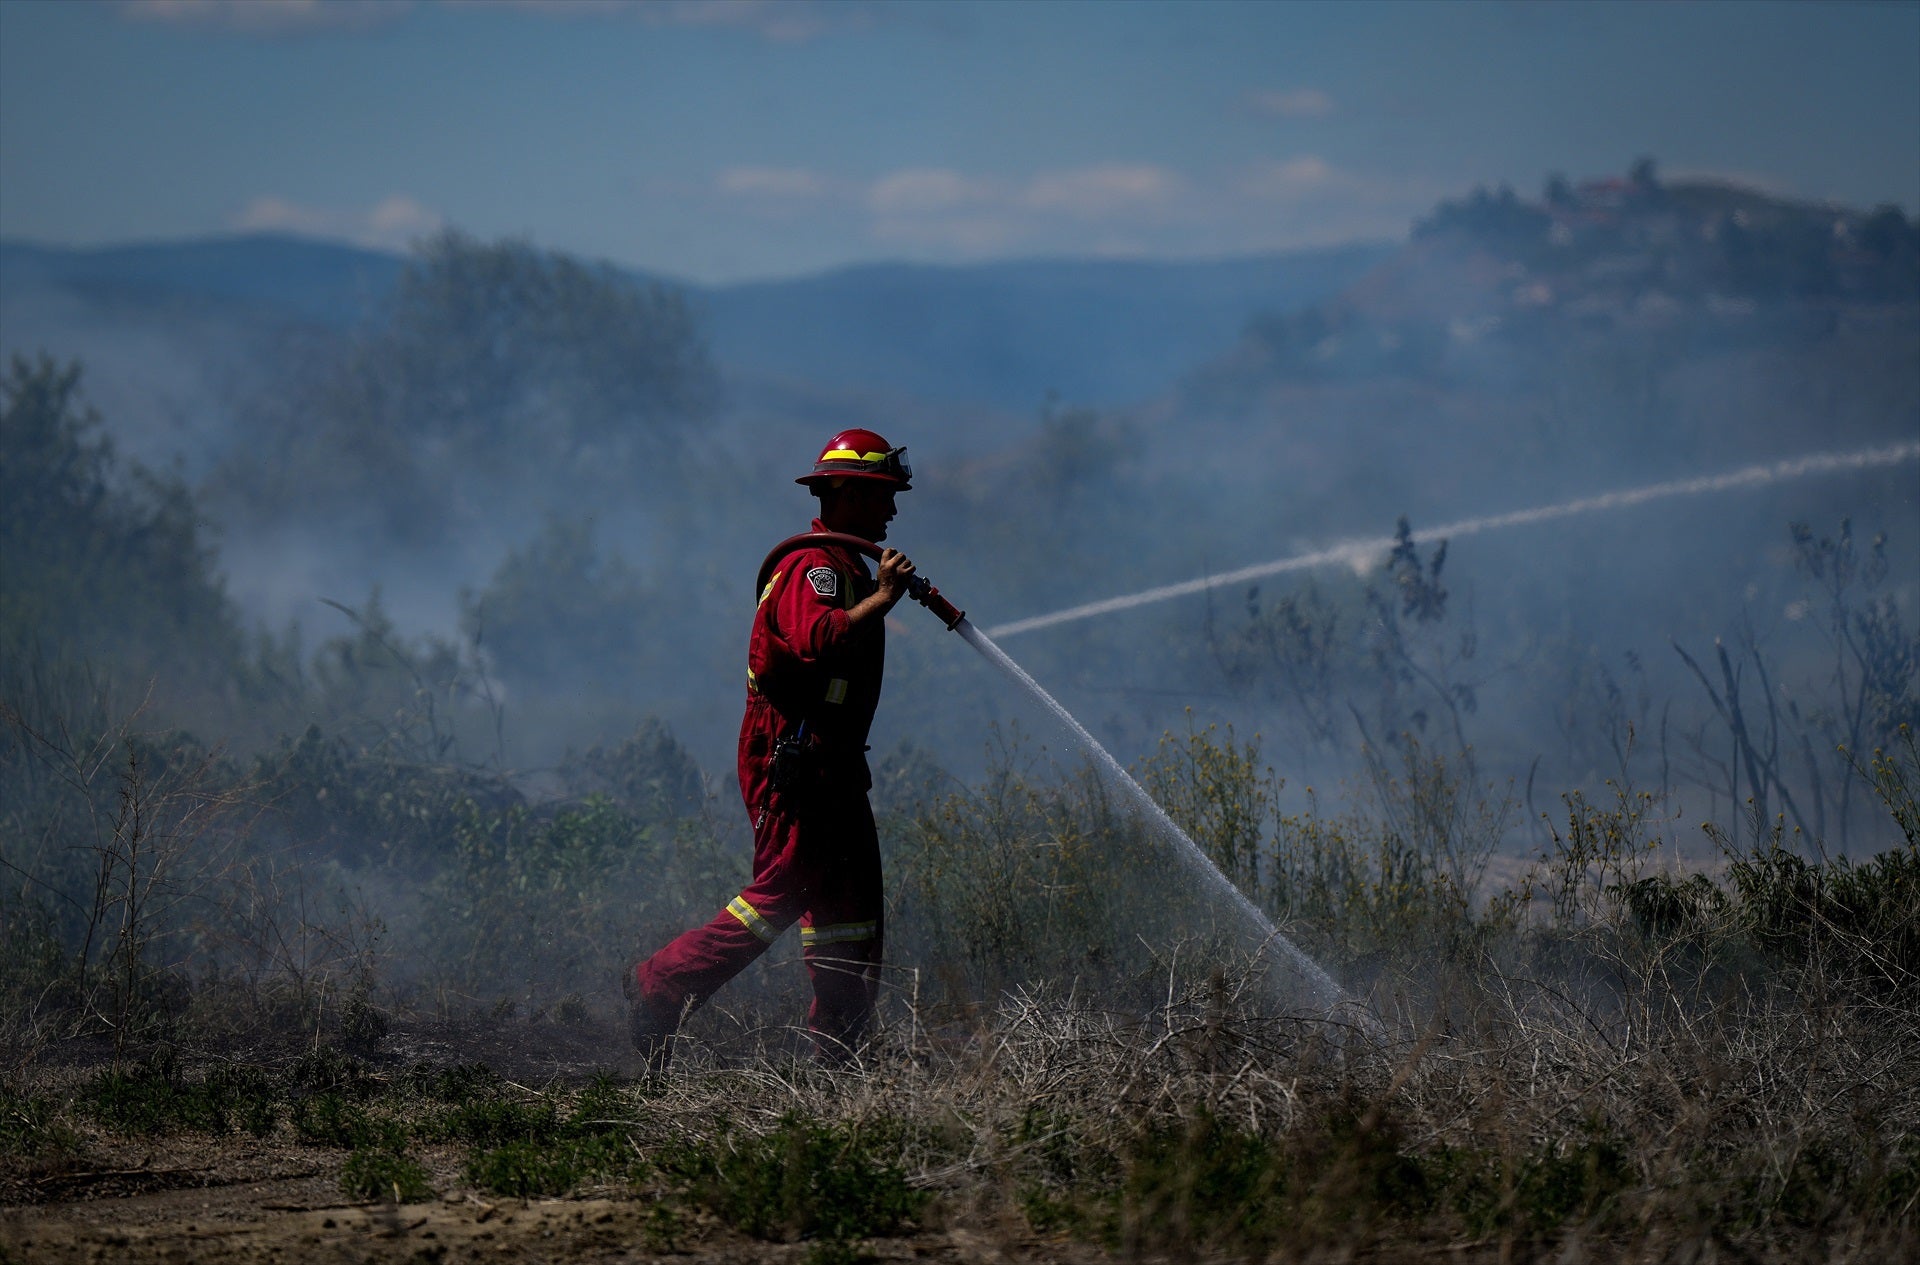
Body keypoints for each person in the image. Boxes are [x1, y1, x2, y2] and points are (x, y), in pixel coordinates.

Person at [624, 429, 917, 1066]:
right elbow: (818, 640)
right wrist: (886, 600)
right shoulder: (812, 569)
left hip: (835, 763)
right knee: (782, 890)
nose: (892, 512)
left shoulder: (844, 571)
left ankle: (841, 1049)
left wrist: (875, 593)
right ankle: (662, 986)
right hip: (798, 761)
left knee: (852, 908)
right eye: (881, 497)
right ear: (843, 494)